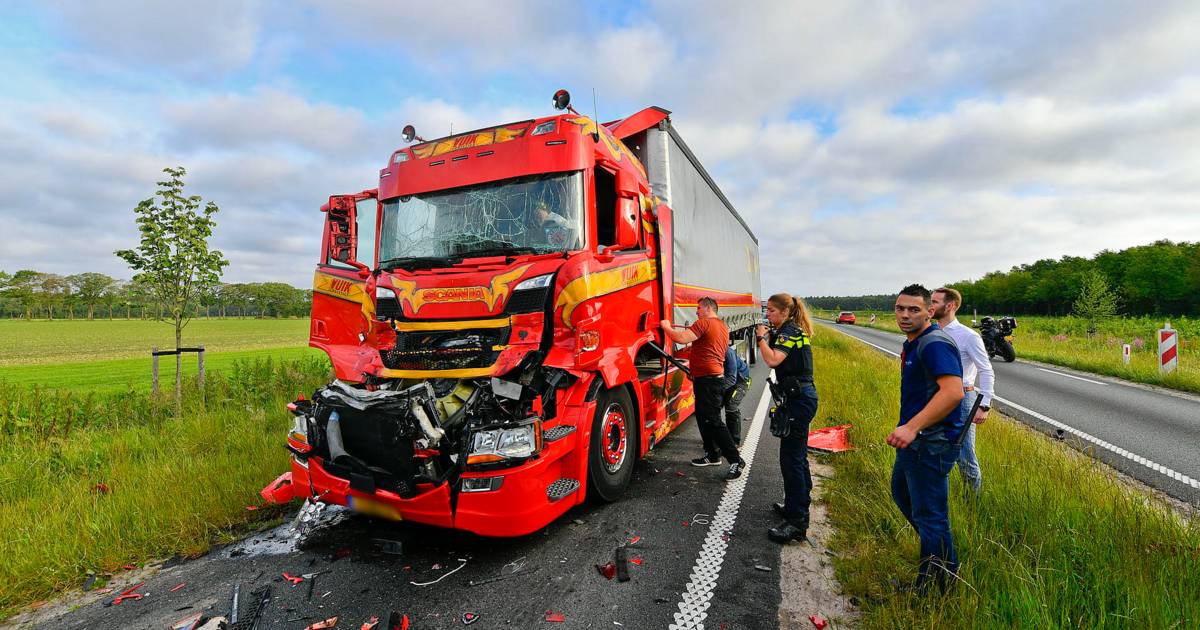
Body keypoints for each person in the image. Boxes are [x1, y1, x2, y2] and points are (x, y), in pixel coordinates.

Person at [888, 284, 965, 593]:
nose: (905, 315)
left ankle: (936, 586)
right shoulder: (914, 342)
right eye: (899, 308)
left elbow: (954, 392)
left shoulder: (933, 343)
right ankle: (943, 562)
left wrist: (912, 427)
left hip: (931, 443)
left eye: (914, 309)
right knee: (903, 495)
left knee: (930, 515)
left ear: (929, 312)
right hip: (917, 442)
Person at [754, 293, 818, 544]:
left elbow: (772, 360)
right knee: (796, 457)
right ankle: (795, 506)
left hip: (799, 400)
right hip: (796, 397)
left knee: (791, 460)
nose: (766, 314)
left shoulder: (791, 331)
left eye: (770, 310)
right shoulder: (787, 330)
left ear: (784, 312)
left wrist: (760, 337)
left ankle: (797, 523)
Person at [661, 297, 746, 480]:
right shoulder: (722, 326)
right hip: (707, 380)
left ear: (708, 308)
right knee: (703, 417)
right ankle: (713, 454)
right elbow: (706, 349)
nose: (696, 311)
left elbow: (681, 338)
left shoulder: (704, 323)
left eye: (698, 308)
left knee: (713, 420)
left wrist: (666, 326)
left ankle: (736, 460)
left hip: (709, 382)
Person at [932, 287, 994, 495]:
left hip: (963, 398)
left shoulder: (968, 336)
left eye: (934, 302)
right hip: (934, 397)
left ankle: (972, 507)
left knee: (965, 454)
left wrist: (984, 405)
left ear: (950, 306)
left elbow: (986, 371)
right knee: (935, 450)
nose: (929, 305)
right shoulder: (931, 333)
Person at [722, 343, 752, 445]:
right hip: (727, 380)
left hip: (741, 381)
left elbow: (731, 378)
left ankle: (734, 441)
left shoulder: (728, 353)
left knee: (731, 405)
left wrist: (716, 390)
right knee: (714, 405)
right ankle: (718, 437)